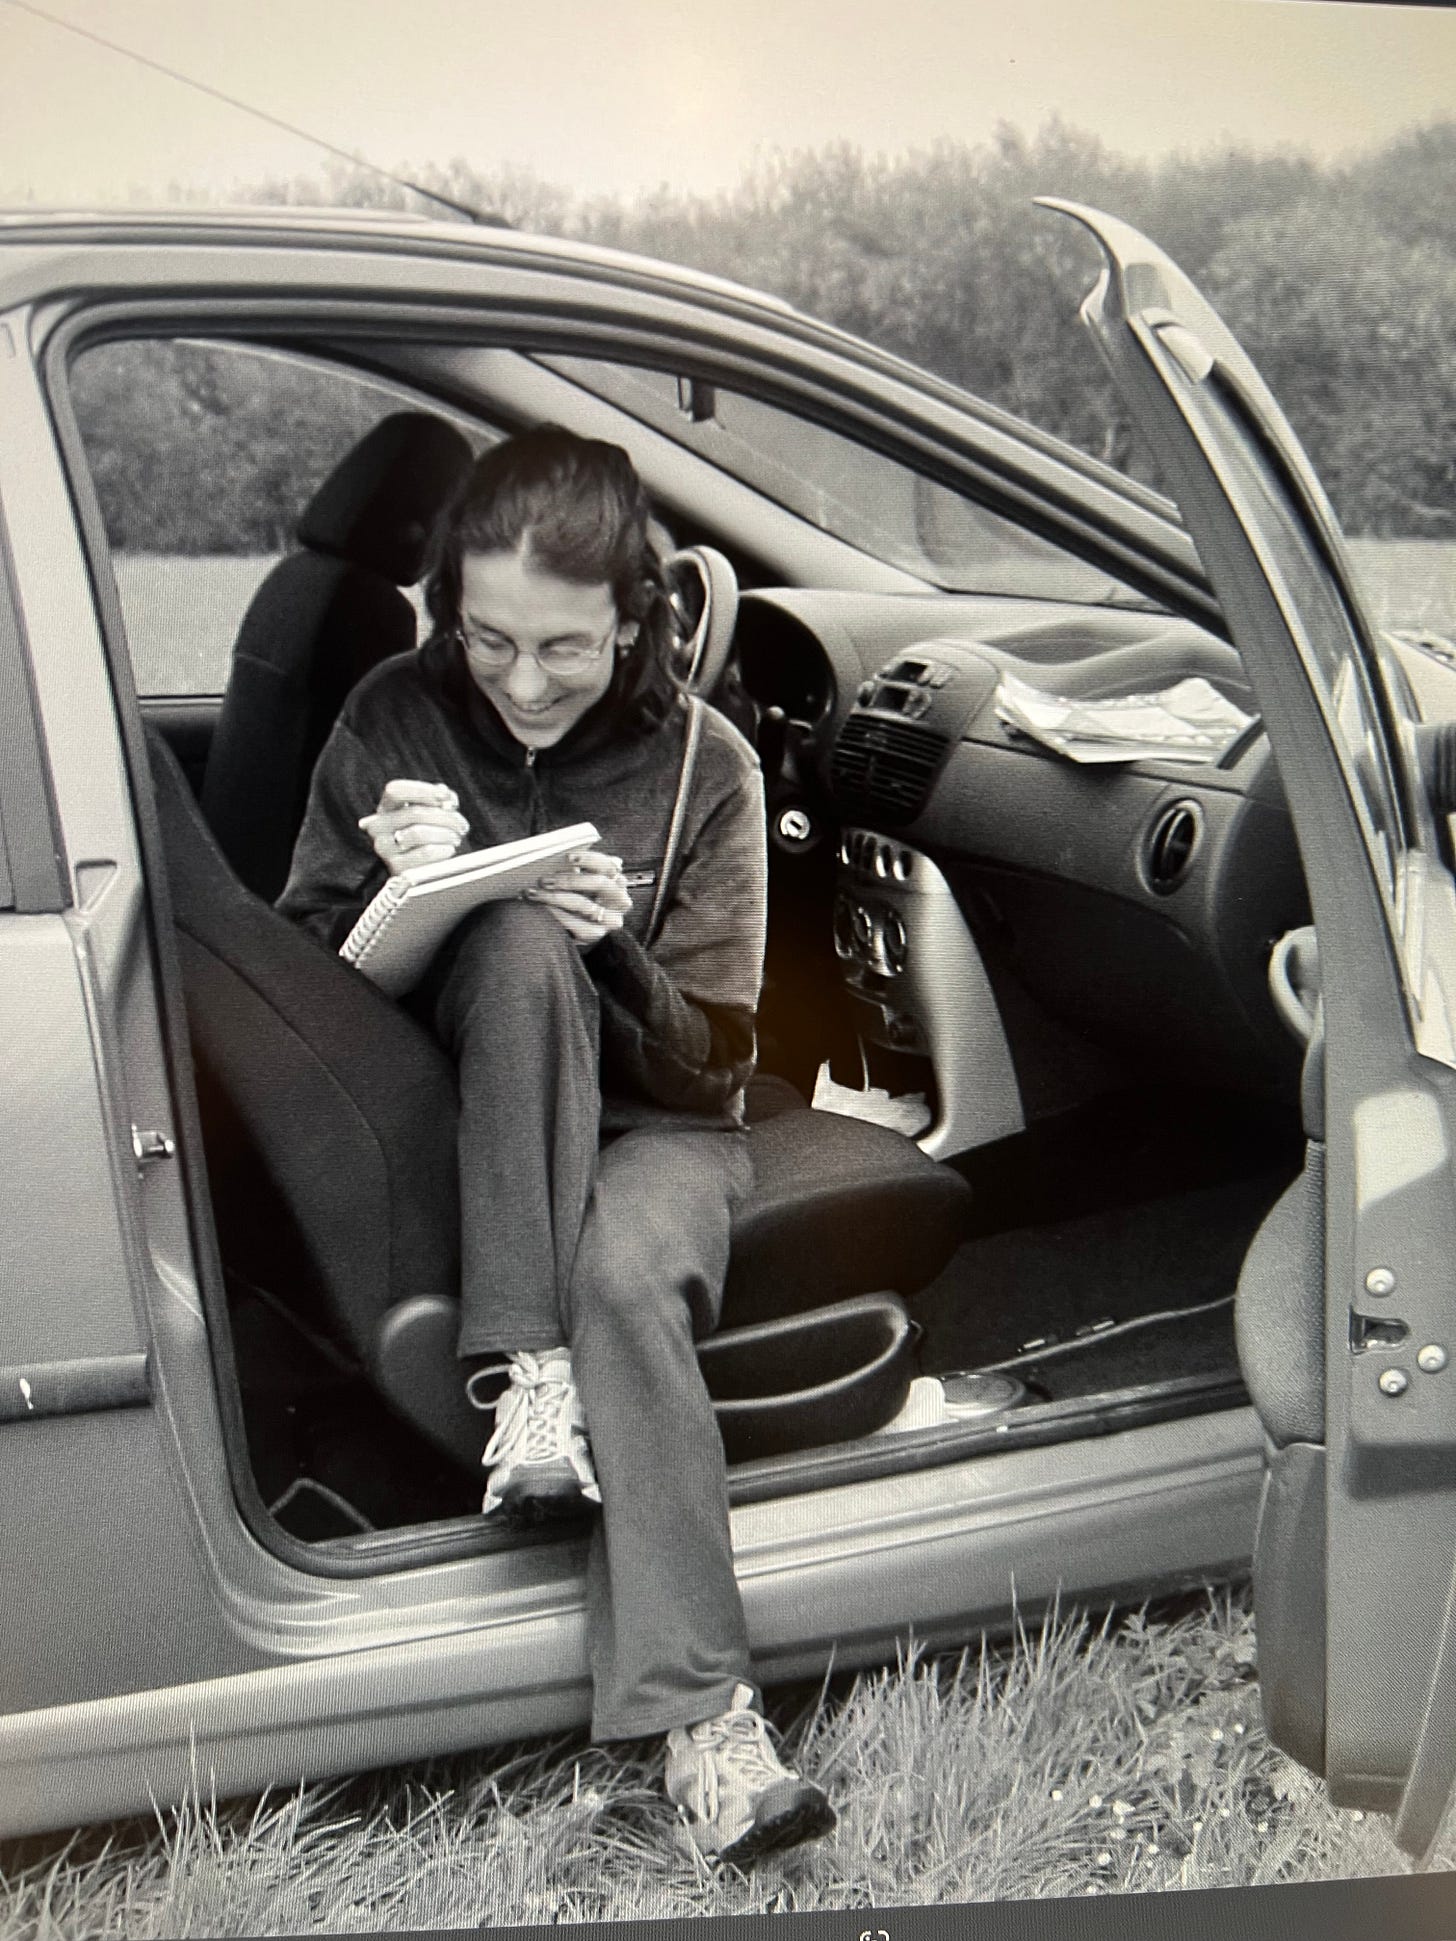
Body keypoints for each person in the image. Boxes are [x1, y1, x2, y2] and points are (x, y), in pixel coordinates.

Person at [277, 425, 836, 1865]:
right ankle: (528, 1375)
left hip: (658, 1127)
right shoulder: (391, 720)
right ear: (446, 616)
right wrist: (384, 887)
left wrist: (627, 963)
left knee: (631, 1280)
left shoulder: (706, 763)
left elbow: (722, 1057)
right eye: (489, 642)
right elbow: (297, 1000)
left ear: (638, 617)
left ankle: (708, 1728)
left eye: (566, 650)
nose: (523, 683)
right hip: (471, 1122)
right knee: (513, 933)